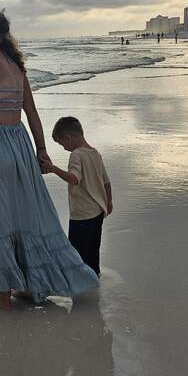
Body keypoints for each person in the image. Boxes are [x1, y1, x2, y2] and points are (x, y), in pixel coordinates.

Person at [0, 8, 99, 310]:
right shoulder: (16, 64)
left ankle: (5, 293)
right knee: (27, 216)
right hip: (20, 144)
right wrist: (40, 148)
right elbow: (32, 112)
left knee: (0, 221)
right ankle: (31, 284)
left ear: (0, 36)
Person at [42, 117, 112, 276]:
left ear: (68, 138)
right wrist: (109, 202)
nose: (64, 148)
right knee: (93, 251)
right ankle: (95, 277)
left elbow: (74, 179)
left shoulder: (76, 155)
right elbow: (106, 182)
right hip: (98, 211)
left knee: (77, 255)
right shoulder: (95, 153)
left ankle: (82, 284)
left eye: (62, 144)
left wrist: (53, 168)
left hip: (82, 215)